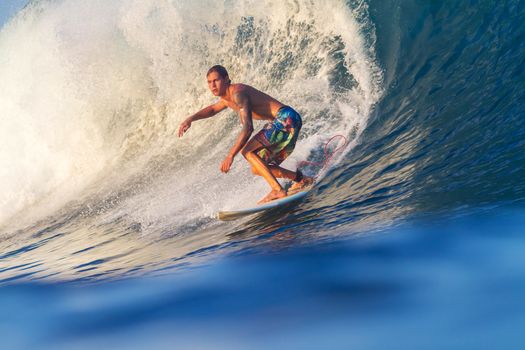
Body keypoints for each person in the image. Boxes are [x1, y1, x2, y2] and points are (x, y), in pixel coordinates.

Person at [178, 65, 313, 204]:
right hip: (287, 121)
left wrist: (231, 155)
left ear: (226, 79)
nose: (212, 85)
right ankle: (300, 179)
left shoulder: (237, 93)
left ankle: (277, 190)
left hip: (285, 118)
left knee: (247, 151)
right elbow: (212, 109)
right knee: (258, 167)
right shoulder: (226, 99)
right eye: (209, 82)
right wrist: (191, 119)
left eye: (216, 80)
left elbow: (248, 128)